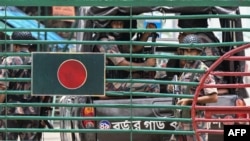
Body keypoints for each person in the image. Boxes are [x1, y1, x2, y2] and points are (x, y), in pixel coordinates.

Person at [169, 34, 218, 141]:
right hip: (183, 121)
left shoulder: (203, 70)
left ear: (199, 52)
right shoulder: (186, 68)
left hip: (196, 122)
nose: (189, 54)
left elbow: (214, 97)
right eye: (186, 51)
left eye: (192, 51)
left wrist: (190, 100)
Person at [93, 18, 160, 95]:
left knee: (138, 77)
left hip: (114, 82)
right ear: (109, 24)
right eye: (115, 23)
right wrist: (146, 65)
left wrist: (147, 33)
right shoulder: (105, 42)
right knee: (153, 85)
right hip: (107, 86)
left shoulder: (115, 41)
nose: (118, 27)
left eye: (121, 24)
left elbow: (135, 48)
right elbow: (123, 65)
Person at [0, 31, 45, 141]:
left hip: (11, 111)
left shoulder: (8, 61)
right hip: (33, 111)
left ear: (15, 45)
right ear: (29, 45)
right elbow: (44, 92)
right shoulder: (38, 61)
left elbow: (2, 88)